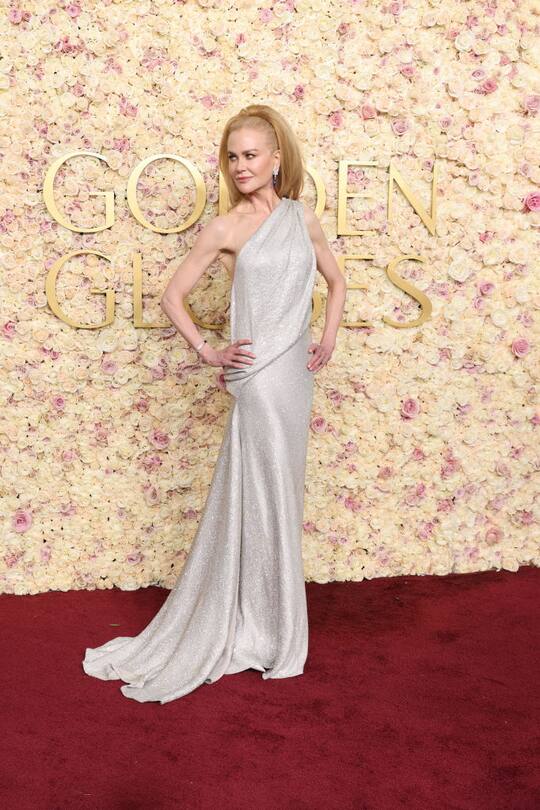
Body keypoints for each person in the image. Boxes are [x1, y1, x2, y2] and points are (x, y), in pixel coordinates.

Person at [82, 104, 347, 703]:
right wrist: (209, 349)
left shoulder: (302, 217)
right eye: (233, 157)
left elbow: (337, 280)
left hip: (294, 378)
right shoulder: (225, 229)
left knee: (284, 493)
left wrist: (326, 336)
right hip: (254, 378)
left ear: (277, 158)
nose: (240, 165)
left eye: (251, 154)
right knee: (265, 491)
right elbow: (173, 296)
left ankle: (271, 627)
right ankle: (263, 630)